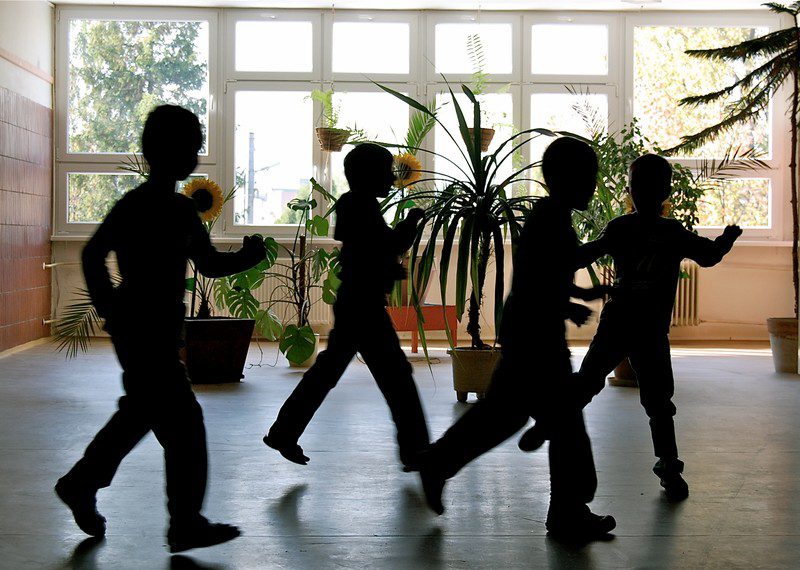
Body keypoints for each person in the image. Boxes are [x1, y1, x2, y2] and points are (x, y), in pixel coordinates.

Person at [55, 105, 266, 553]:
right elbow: (95, 255)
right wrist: (111, 309)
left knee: (142, 413)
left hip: (143, 329)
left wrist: (246, 259)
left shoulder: (165, 208)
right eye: (191, 146)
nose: (195, 154)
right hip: (141, 330)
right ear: (168, 152)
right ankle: (183, 522)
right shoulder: (158, 208)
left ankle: (82, 483)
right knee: (182, 422)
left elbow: (204, 264)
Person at [418, 136, 616, 541]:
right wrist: (572, 301)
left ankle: (439, 462)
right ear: (562, 179)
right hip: (535, 335)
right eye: (588, 177)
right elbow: (542, 277)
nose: (593, 185)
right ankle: (568, 511)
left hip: (531, 329)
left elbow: (550, 270)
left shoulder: (552, 216)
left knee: (507, 415)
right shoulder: (548, 219)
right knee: (563, 425)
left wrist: (578, 294)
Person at [563, 153, 742, 501]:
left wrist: (560, 257)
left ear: (631, 190)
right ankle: (669, 468)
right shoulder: (672, 232)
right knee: (659, 403)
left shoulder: (621, 227)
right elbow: (708, 256)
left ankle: (551, 423)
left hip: (618, 322)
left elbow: (588, 253)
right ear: (667, 191)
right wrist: (727, 238)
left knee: (588, 382)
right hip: (650, 330)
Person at [264, 143, 430, 474]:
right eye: (386, 171)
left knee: (331, 373)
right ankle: (416, 451)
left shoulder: (356, 203)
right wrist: (412, 222)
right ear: (369, 176)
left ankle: (283, 432)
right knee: (396, 377)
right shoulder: (360, 206)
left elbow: (374, 250)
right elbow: (388, 246)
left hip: (357, 302)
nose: (392, 178)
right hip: (363, 306)